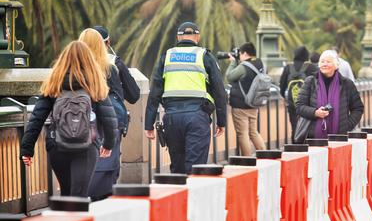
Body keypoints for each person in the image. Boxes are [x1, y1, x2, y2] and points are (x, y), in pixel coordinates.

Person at [20, 41, 117, 197]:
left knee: (66, 193)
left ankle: (66, 218)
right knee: (79, 195)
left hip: (57, 146)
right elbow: (109, 117)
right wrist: (109, 143)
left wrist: (27, 148)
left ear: (63, 60)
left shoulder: (54, 84)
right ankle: (78, 220)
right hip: (87, 146)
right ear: (89, 60)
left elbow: (37, 118)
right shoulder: (94, 84)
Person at [145, 22, 227, 173]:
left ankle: (178, 194)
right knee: (195, 169)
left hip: (171, 118)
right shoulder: (205, 56)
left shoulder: (167, 56)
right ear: (197, 37)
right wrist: (221, 121)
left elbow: (155, 92)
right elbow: (219, 92)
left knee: (177, 168)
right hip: (197, 118)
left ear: (178, 37)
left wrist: (148, 124)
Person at [79, 28, 139, 200]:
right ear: (107, 43)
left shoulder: (74, 65)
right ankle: (98, 201)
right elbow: (134, 95)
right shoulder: (113, 64)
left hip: (78, 123)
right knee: (107, 165)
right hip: (108, 123)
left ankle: (82, 199)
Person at [295, 50, 364, 142]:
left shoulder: (347, 84)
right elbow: (299, 106)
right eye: (322, 61)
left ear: (336, 65)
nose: (325, 64)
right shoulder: (310, 82)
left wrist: (347, 125)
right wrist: (315, 112)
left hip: (340, 138)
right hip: (313, 138)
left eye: (328, 61)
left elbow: (358, 108)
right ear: (319, 65)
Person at [226, 42, 266, 156]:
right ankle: (265, 154)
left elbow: (229, 77)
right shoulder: (260, 64)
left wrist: (233, 63)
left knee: (243, 134)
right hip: (254, 103)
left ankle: (247, 160)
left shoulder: (244, 66)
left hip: (240, 105)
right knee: (253, 132)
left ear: (244, 53)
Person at [279, 46, 319, 141]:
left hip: (292, 104)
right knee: (308, 126)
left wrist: (285, 98)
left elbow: (282, 86)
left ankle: (295, 147)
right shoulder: (311, 67)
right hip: (308, 105)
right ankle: (307, 146)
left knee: (295, 127)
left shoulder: (288, 68)